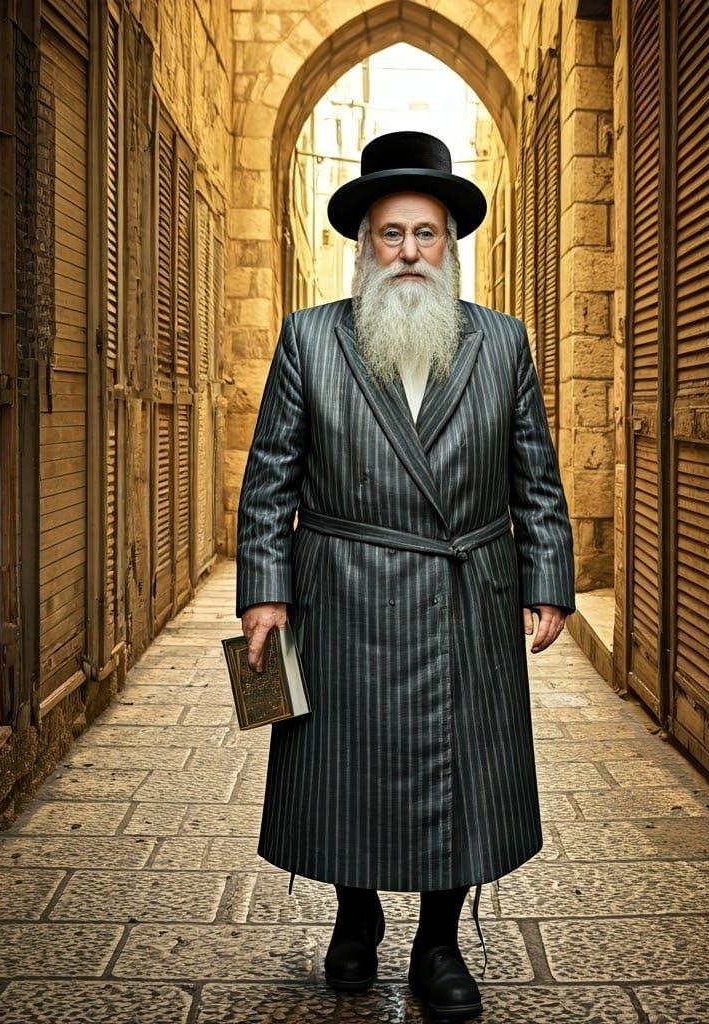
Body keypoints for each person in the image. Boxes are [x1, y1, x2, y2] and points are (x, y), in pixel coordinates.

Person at [236, 131, 574, 1020]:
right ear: (366, 246)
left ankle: (438, 943)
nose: (410, 251)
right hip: (341, 589)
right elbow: (271, 475)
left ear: (450, 246)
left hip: (466, 589)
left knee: (460, 770)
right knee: (344, 763)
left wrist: (548, 576)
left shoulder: (502, 342)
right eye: (392, 234)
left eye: (427, 233)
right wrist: (264, 592)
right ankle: (356, 914)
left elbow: (535, 476)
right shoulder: (310, 338)